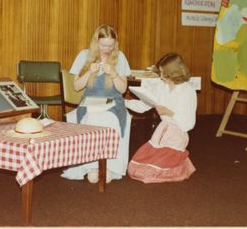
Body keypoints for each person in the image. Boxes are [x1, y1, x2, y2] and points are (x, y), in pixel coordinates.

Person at [61, 24, 132, 183]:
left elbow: (122, 89)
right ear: (96, 42)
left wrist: (113, 74)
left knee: (109, 120)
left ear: (115, 43)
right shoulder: (84, 55)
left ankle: (109, 168)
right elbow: (77, 86)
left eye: (110, 45)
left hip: (113, 102)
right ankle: (92, 166)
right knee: (92, 119)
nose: (107, 49)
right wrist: (89, 72)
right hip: (90, 102)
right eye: (103, 45)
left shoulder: (120, 57)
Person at [127, 52, 197, 183]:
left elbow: (188, 124)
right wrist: (124, 103)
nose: (161, 77)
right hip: (161, 131)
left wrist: (170, 113)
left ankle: (179, 165)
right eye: (161, 73)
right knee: (135, 169)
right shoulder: (162, 86)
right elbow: (143, 106)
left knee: (153, 172)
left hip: (177, 134)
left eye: (164, 74)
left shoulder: (187, 91)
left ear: (174, 73)